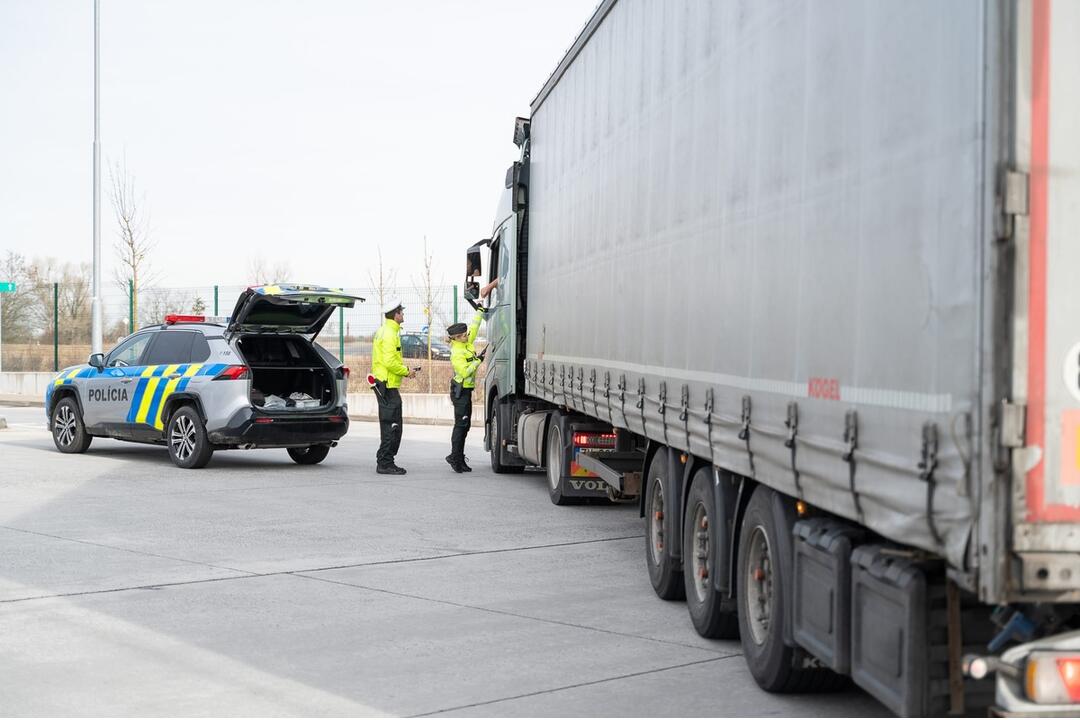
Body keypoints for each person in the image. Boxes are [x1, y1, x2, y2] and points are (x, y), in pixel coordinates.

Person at [445, 279, 499, 472]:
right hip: (460, 392)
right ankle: (454, 457)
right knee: (461, 425)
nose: (469, 335)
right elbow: (464, 371)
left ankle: (458, 457)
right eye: (465, 334)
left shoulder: (466, 344)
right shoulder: (456, 352)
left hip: (466, 391)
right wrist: (478, 360)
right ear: (457, 338)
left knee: (464, 425)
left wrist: (480, 310)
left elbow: (475, 326)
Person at [371, 298, 414, 474]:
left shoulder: (387, 331)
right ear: (395, 315)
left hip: (386, 383)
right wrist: (406, 371)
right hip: (386, 385)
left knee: (391, 423)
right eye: (401, 312)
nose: (403, 314)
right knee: (392, 424)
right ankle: (385, 463)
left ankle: (385, 460)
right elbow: (389, 361)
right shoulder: (389, 334)